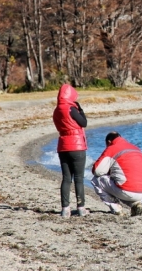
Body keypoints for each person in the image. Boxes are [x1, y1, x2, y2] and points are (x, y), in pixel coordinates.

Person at [91, 132, 142, 216]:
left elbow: (97, 171)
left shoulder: (112, 148)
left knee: (96, 180)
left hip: (127, 190)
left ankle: (116, 208)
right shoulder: (136, 148)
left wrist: (109, 172)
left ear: (108, 142)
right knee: (124, 184)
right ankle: (136, 203)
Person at [52, 84, 88, 217]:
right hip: (76, 145)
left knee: (66, 178)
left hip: (63, 145)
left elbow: (58, 125)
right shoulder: (72, 109)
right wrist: (80, 109)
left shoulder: (56, 110)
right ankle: (81, 207)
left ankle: (65, 208)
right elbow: (83, 123)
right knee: (78, 178)